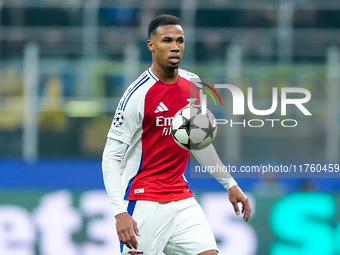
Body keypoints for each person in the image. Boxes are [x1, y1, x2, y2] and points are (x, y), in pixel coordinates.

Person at [102, 14, 251, 255]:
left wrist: (229, 184)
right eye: (167, 40)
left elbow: (197, 142)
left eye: (180, 41)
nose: (175, 47)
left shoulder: (193, 83)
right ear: (151, 45)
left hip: (180, 196)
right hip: (143, 198)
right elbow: (110, 156)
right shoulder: (137, 95)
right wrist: (120, 213)